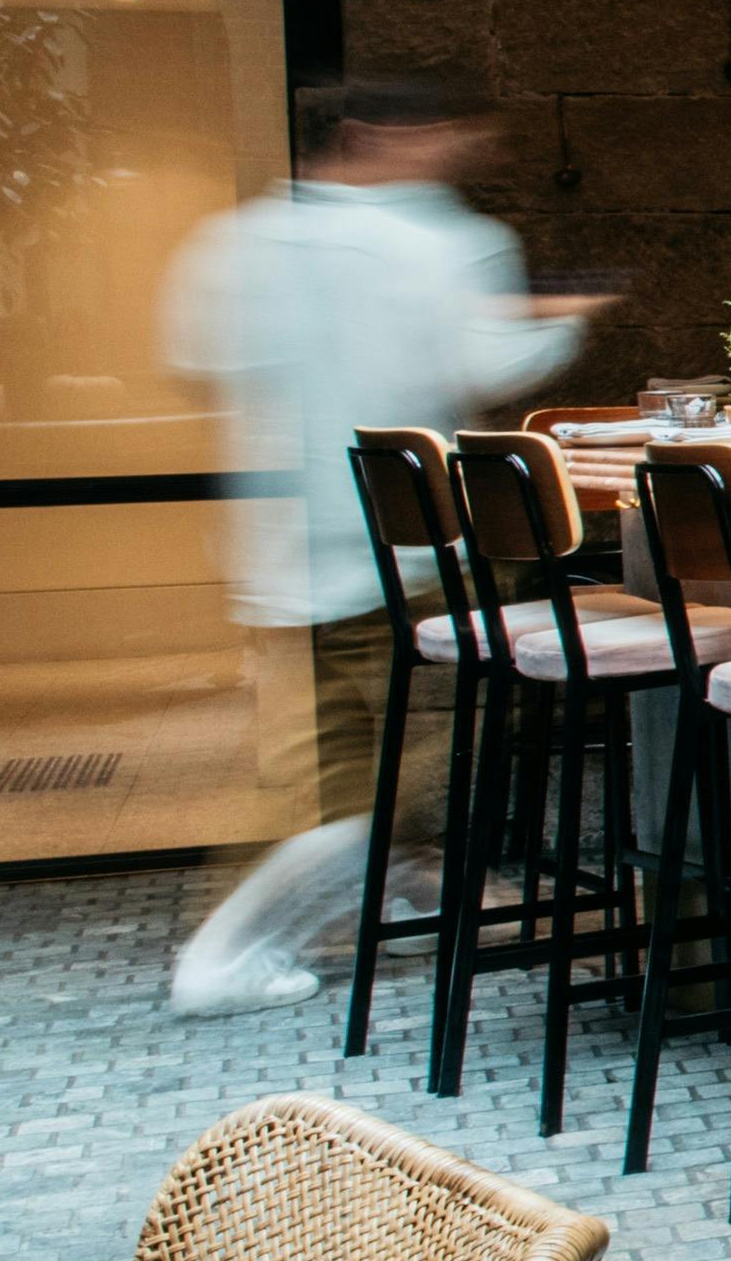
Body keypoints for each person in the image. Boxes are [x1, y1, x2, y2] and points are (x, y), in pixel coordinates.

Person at [157, 76, 602, 1012]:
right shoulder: (443, 242)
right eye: (439, 134)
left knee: (326, 770)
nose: (452, 154)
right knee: (415, 763)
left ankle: (393, 901)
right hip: (412, 555)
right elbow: (486, 366)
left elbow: (194, 360)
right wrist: (565, 320)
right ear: (365, 138)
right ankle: (225, 959)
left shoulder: (235, 243)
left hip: (281, 549)